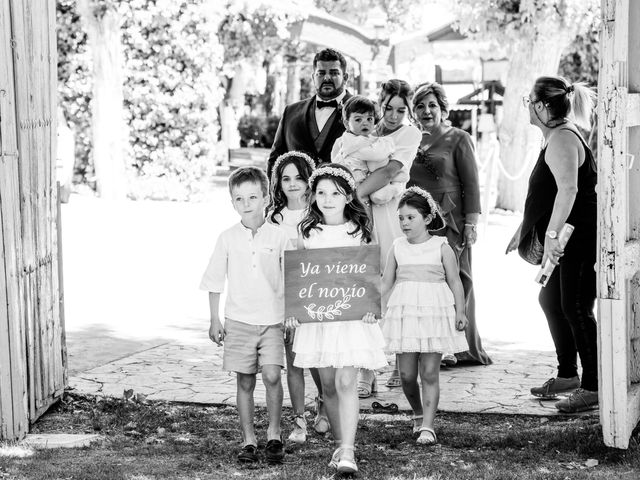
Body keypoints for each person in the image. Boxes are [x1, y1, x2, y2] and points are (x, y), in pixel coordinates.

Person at [286, 164, 386, 474]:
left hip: (351, 319)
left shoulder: (359, 231)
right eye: (321, 193)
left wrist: (372, 307)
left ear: (347, 197)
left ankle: (349, 452)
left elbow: (371, 277)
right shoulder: (307, 233)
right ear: (313, 196)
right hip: (318, 320)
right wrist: (293, 311)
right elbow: (297, 276)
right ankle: (341, 445)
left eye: (335, 193)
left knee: (346, 381)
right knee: (328, 385)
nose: (328, 199)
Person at [506, 76, 598, 413]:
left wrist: (552, 237)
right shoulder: (554, 137)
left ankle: (593, 385)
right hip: (566, 234)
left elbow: (569, 191)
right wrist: (524, 227)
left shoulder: (561, 139)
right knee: (550, 299)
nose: (527, 107)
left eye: (529, 101)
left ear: (543, 106)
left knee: (575, 306)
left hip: (577, 236)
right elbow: (545, 195)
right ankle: (568, 374)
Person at [200, 167, 290, 465]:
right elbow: (214, 280)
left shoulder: (279, 237)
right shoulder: (227, 238)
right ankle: (249, 439)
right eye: (239, 198)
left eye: (252, 196)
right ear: (232, 202)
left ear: (265, 197)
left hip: (272, 320)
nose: (246, 203)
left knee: (273, 374)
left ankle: (274, 435)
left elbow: (291, 279)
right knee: (245, 382)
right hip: (238, 320)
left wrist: (291, 315)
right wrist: (215, 320)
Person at [408, 82, 491, 366]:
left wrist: (471, 222)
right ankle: (428, 344)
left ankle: (460, 347)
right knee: (425, 281)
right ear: (413, 111)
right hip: (417, 219)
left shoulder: (458, 137)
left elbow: (471, 183)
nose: (426, 110)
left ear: (443, 108)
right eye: (420, 106)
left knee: (457, 279)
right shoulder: (407, 139)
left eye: (432, 105)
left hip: (451, 218)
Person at [381, 187, 468, 445]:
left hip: (434, 314)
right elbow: (386, 282)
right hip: (406, 315)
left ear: (428, 218)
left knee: (429, 372)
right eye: (401, 218)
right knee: (407, 375)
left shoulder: (441, 247)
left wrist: (460, 311)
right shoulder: (397, 247)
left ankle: (428, 426)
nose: (404, 223)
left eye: (411, 217)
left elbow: (455, 281)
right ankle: (417, 412)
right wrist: (369, 304)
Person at [355, 79, 422, 394]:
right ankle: (367, 368)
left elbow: (390, 171)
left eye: (401, 110)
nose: (393, 116)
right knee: (367, 286)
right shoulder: (366, 128)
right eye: (388, 108)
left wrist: (352, 195)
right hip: (364, 215)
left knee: (394, 284)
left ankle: (398, 359)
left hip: (390, 211)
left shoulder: (410, 133)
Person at [266, 151, 329, 442]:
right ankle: (299, 420)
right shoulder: (273, 217)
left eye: (299, 178)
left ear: (309, 181)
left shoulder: (319, 214)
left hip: (314, 292)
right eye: (286, 178)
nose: (292, 184)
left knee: (315, 356)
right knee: (293, 359)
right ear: (278, 183)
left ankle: (326, 406)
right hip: (284, 293)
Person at [267, 48, 352, 179]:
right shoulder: (290, 112)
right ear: (313, 77)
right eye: (321, 73)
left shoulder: (364, 111)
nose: (327, 78)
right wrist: (274, 197)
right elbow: (275, 160)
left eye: (334, 73)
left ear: (345, 77)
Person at [331, 95, 403, 204]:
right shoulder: (351, 142)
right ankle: (394, 188)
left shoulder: (367, 140)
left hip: (362, 182)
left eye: (369, 118)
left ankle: (395, 187)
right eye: (358, 119)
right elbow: (376, 154)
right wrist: (388, 145)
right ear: (346, 124)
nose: (365, 123)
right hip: (352, 183)